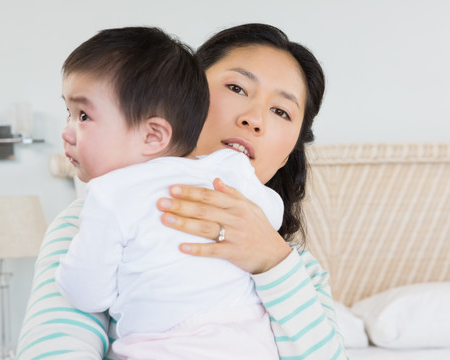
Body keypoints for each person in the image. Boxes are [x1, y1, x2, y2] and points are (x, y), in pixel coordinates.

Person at [16, 23, 347, 360]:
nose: (255, 119)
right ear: (184, 95)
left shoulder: (299, 269)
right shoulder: (85, 223)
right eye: (236, 87)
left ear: (285, 156)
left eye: (281, 111)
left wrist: (272, 262)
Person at [54, 26, 282, 359]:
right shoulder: (227, 169)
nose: (67, 131)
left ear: (153, 136)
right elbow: (272, 217)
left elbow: (86, 294)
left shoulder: (108, 195)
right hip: (251, 342)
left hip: (163, 347)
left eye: (83, 116)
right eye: (69, 113)